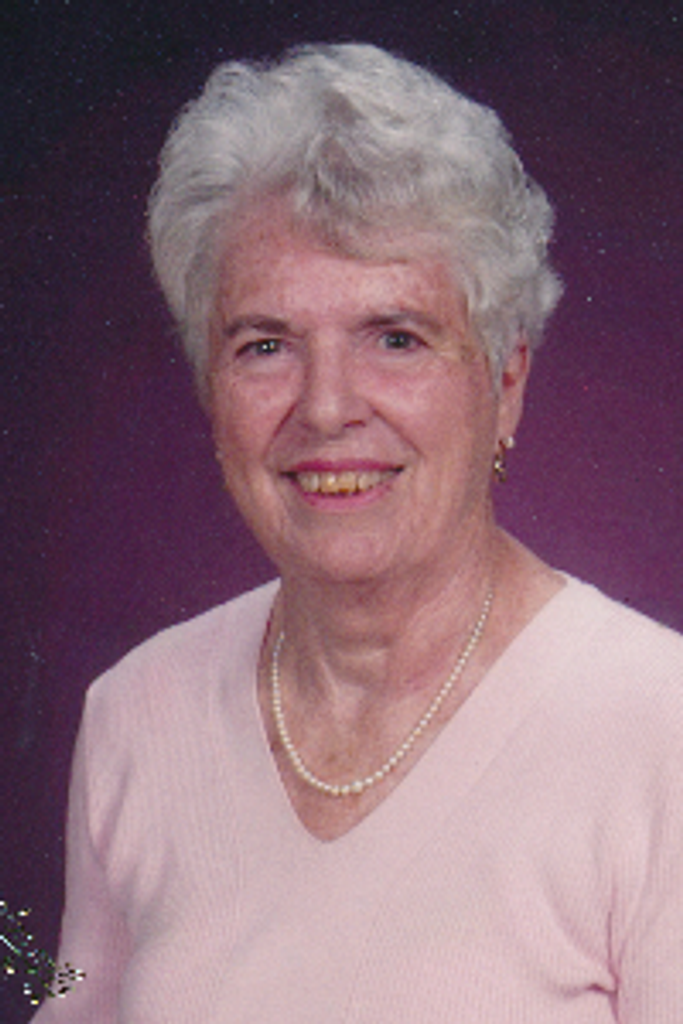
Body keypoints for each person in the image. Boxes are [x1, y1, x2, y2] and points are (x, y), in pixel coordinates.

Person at [33, 43, 683, 1023]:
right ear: (209, 387)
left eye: (395, 338)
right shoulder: (136, 714)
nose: (327, 407)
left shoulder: (655, 730)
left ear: (504, 379)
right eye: (264, 345)